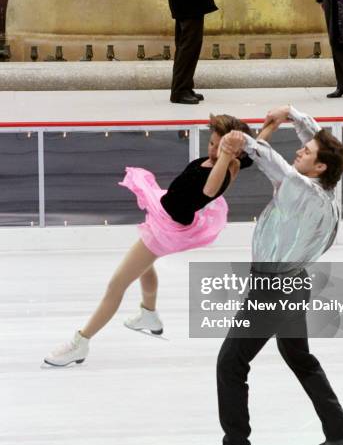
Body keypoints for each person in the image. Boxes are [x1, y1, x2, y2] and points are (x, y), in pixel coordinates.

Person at [209, 105, 343, 445]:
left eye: (306, 154)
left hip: (272, 290)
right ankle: (340, 432)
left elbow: (275, 164)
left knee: (230, 364)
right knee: (300, 358)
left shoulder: (305, 191)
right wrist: (294, 115)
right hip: (293, 284)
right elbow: (320, 141)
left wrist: (245, 140)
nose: (301, 152)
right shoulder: (328, 181)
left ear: (319, 167)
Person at [44, 115, 253, 367]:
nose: (211, 148)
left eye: (219, 147)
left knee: (116, 285)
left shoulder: (223, 170)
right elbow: (253, 148)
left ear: (233, 154)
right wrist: (270, 127)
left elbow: (209, 189)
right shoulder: (223, 161)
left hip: (167, 229)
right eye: (212, 142)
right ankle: (149, 314)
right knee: (146, 264)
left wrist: (228, 153)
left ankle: (80, 343)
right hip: (165, 215)